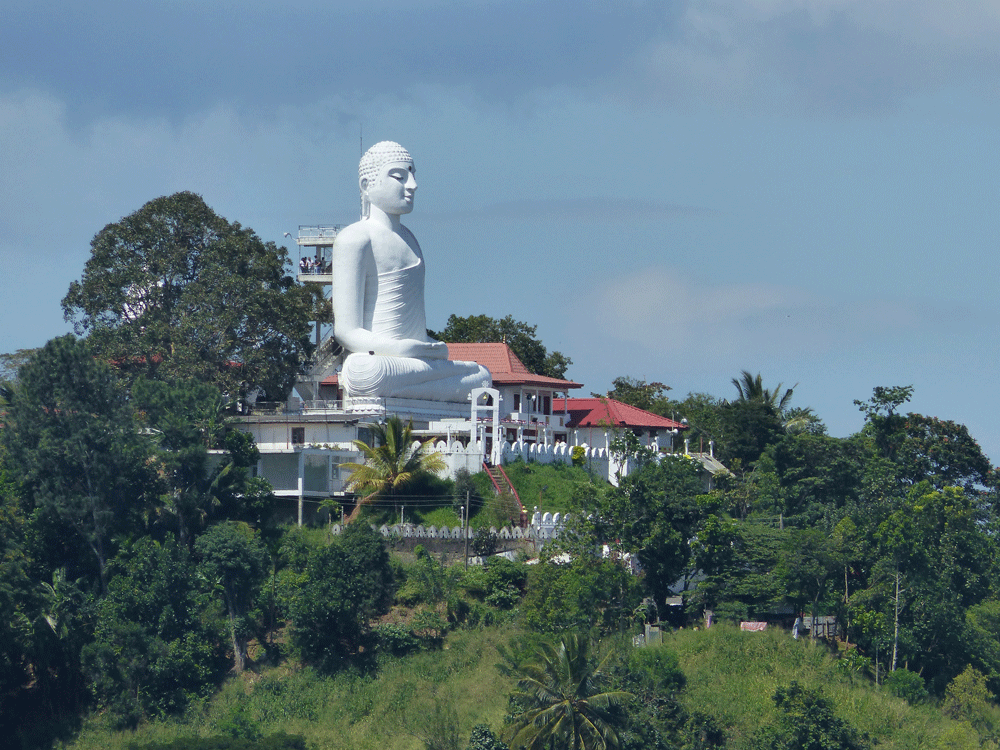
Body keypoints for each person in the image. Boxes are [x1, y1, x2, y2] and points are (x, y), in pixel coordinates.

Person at [332, 141, 490, 401]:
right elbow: (346, 332)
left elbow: (415, 330)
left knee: (481, 375)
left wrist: (429, 347)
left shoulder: (411, 239)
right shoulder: (355, 239)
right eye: (400, 176)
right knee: (365, 371)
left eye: (414, 175)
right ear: (366, 185)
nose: (412, 185)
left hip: (414, 361)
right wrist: (401, 349)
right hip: (383, 363)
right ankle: (418, 389)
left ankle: (416, 389)